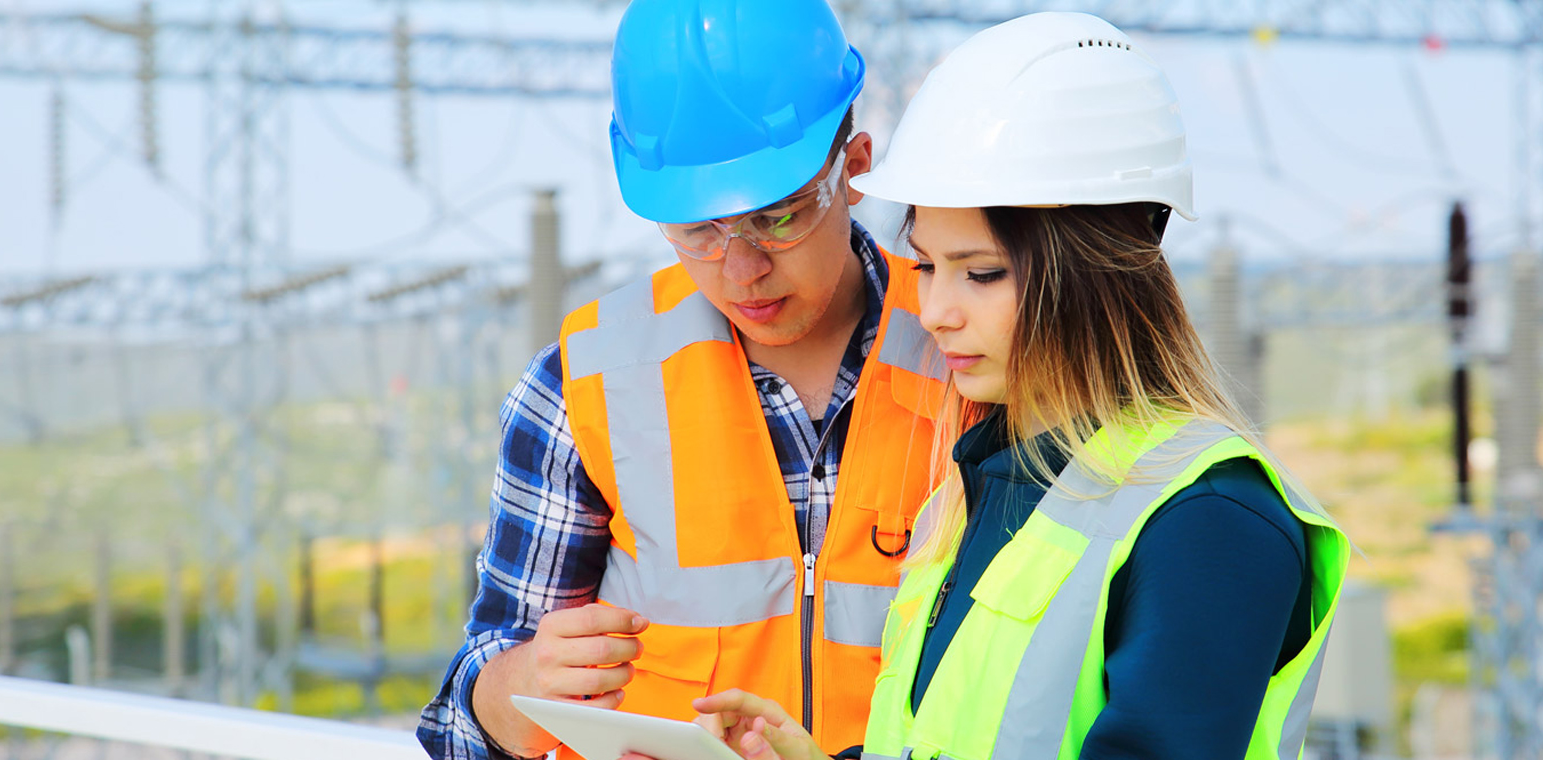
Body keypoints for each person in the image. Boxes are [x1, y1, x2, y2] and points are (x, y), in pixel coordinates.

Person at [678, 12, 1351, 760]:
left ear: (1092, 269)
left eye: (982, 273)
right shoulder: (979, 488)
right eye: (928, 266)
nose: (934, 313)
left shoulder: (1207, 523)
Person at [416, 1, 951, 759]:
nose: (742, 269)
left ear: (856, 164)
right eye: (698, 230)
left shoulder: (967, 355)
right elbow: (461, 732)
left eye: (781, 217)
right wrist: (519, 682)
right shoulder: (582, 383)